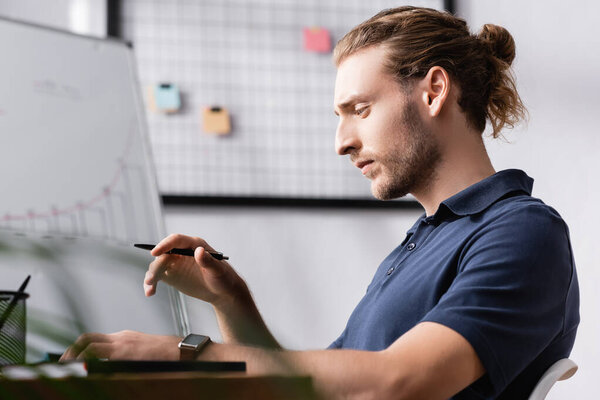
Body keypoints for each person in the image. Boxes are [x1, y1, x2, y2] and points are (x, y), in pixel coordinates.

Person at [61, 6, 579, 399]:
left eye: (359, 109)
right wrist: (231, 300)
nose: (342, 141)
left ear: (434, 90)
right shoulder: (428, 239)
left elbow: (403, 380)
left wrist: (185, 356)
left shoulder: (523, 232)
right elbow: (309, 385)